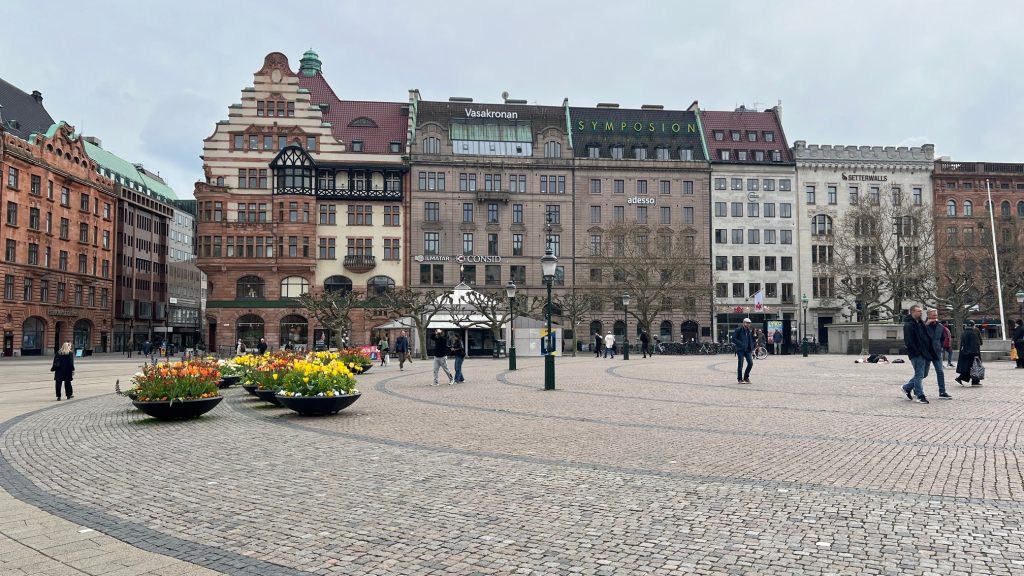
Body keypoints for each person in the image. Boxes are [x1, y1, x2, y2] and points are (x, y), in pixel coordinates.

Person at [901, 304, 935, 404]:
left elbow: (925, 337)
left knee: (924, 374)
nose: (921, 312)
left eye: (921, 311)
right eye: (918, 311)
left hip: (925, 353)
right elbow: (909, 342)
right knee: (919, 374)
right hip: (917, 354)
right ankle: (920, 395)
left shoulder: (920, 323)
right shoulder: (908, 325)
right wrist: (917, 352)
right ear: (913, 312)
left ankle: (907, 387)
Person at [925, 309, 952, 400]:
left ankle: (942, 391)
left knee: (940, 372)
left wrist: (940, 347)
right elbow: (919, 335)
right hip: (926, 352)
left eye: (936, 315)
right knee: (923, 374)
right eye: (933, 315)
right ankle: (910, 387)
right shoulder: (923, 325)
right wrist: (926, 325)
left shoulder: (940, 326)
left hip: (937, 352)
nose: (935, 317)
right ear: (928, 316)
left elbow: (942, 338)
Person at [955, 320, 984, 386]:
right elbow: (975, 344)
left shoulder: (964, 333)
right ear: (973, 326)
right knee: (974, 367)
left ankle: (964, 378)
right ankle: (974, 381)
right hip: (972, 353)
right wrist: (976, 354)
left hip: (965, 353)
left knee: (968, 367)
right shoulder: (973, 333)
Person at [731, 318, 755, 384]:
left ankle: (746, 377)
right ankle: (740, 379)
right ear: (744, 323)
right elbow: (733, 339)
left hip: (747, 350)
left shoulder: (749, 331)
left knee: (750, 363)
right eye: (747, 323)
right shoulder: (738, 330)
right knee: (740, 365)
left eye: (749, 323)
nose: (748, 324)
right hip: (740, 350)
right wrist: (741, 343)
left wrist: (752, 350)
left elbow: (750, 341)